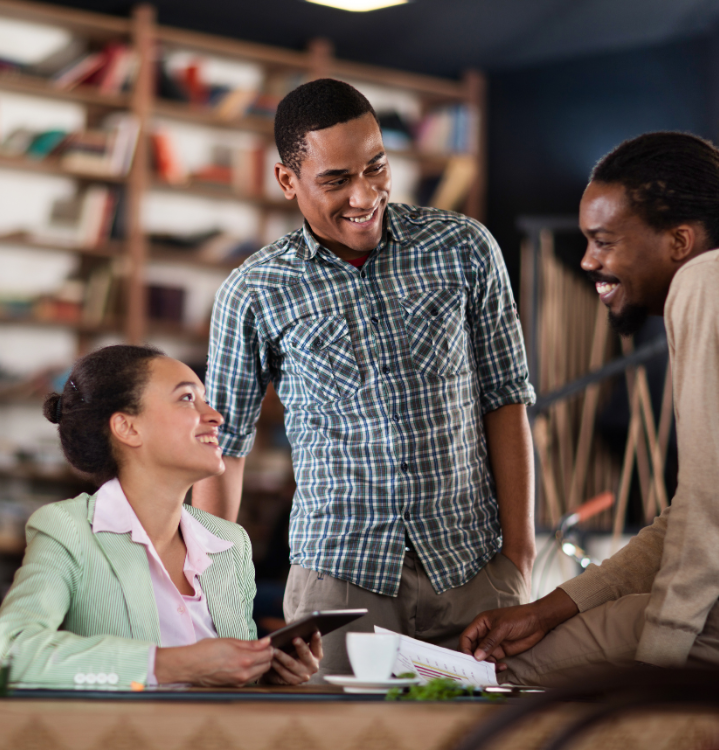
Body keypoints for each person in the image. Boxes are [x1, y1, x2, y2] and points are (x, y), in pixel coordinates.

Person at [192, 78, 536, 677]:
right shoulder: (252, 291)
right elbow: (222, 449)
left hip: (474, 573)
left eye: (376, 168)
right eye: (335, 180)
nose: (364, 194)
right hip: (339, 584)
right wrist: (220, 604)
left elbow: (506, 401)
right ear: (287, 181)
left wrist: (519, 554)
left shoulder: (465, 248)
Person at [460, 131, 719, 686]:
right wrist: (546, 609)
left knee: (484, 674)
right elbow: (689, 516)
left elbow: (709, 509)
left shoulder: (703, 282)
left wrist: (659, 658)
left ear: (679, 241)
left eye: (604, 241)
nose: (586, 261)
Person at [0, 345, 321, 689]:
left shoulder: (230, 543)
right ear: (127, 428)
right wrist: (174, 664)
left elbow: (233, 684)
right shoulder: (68, 529)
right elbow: (10, 654)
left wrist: (265, 673)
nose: (214, 416)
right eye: (187, 399)